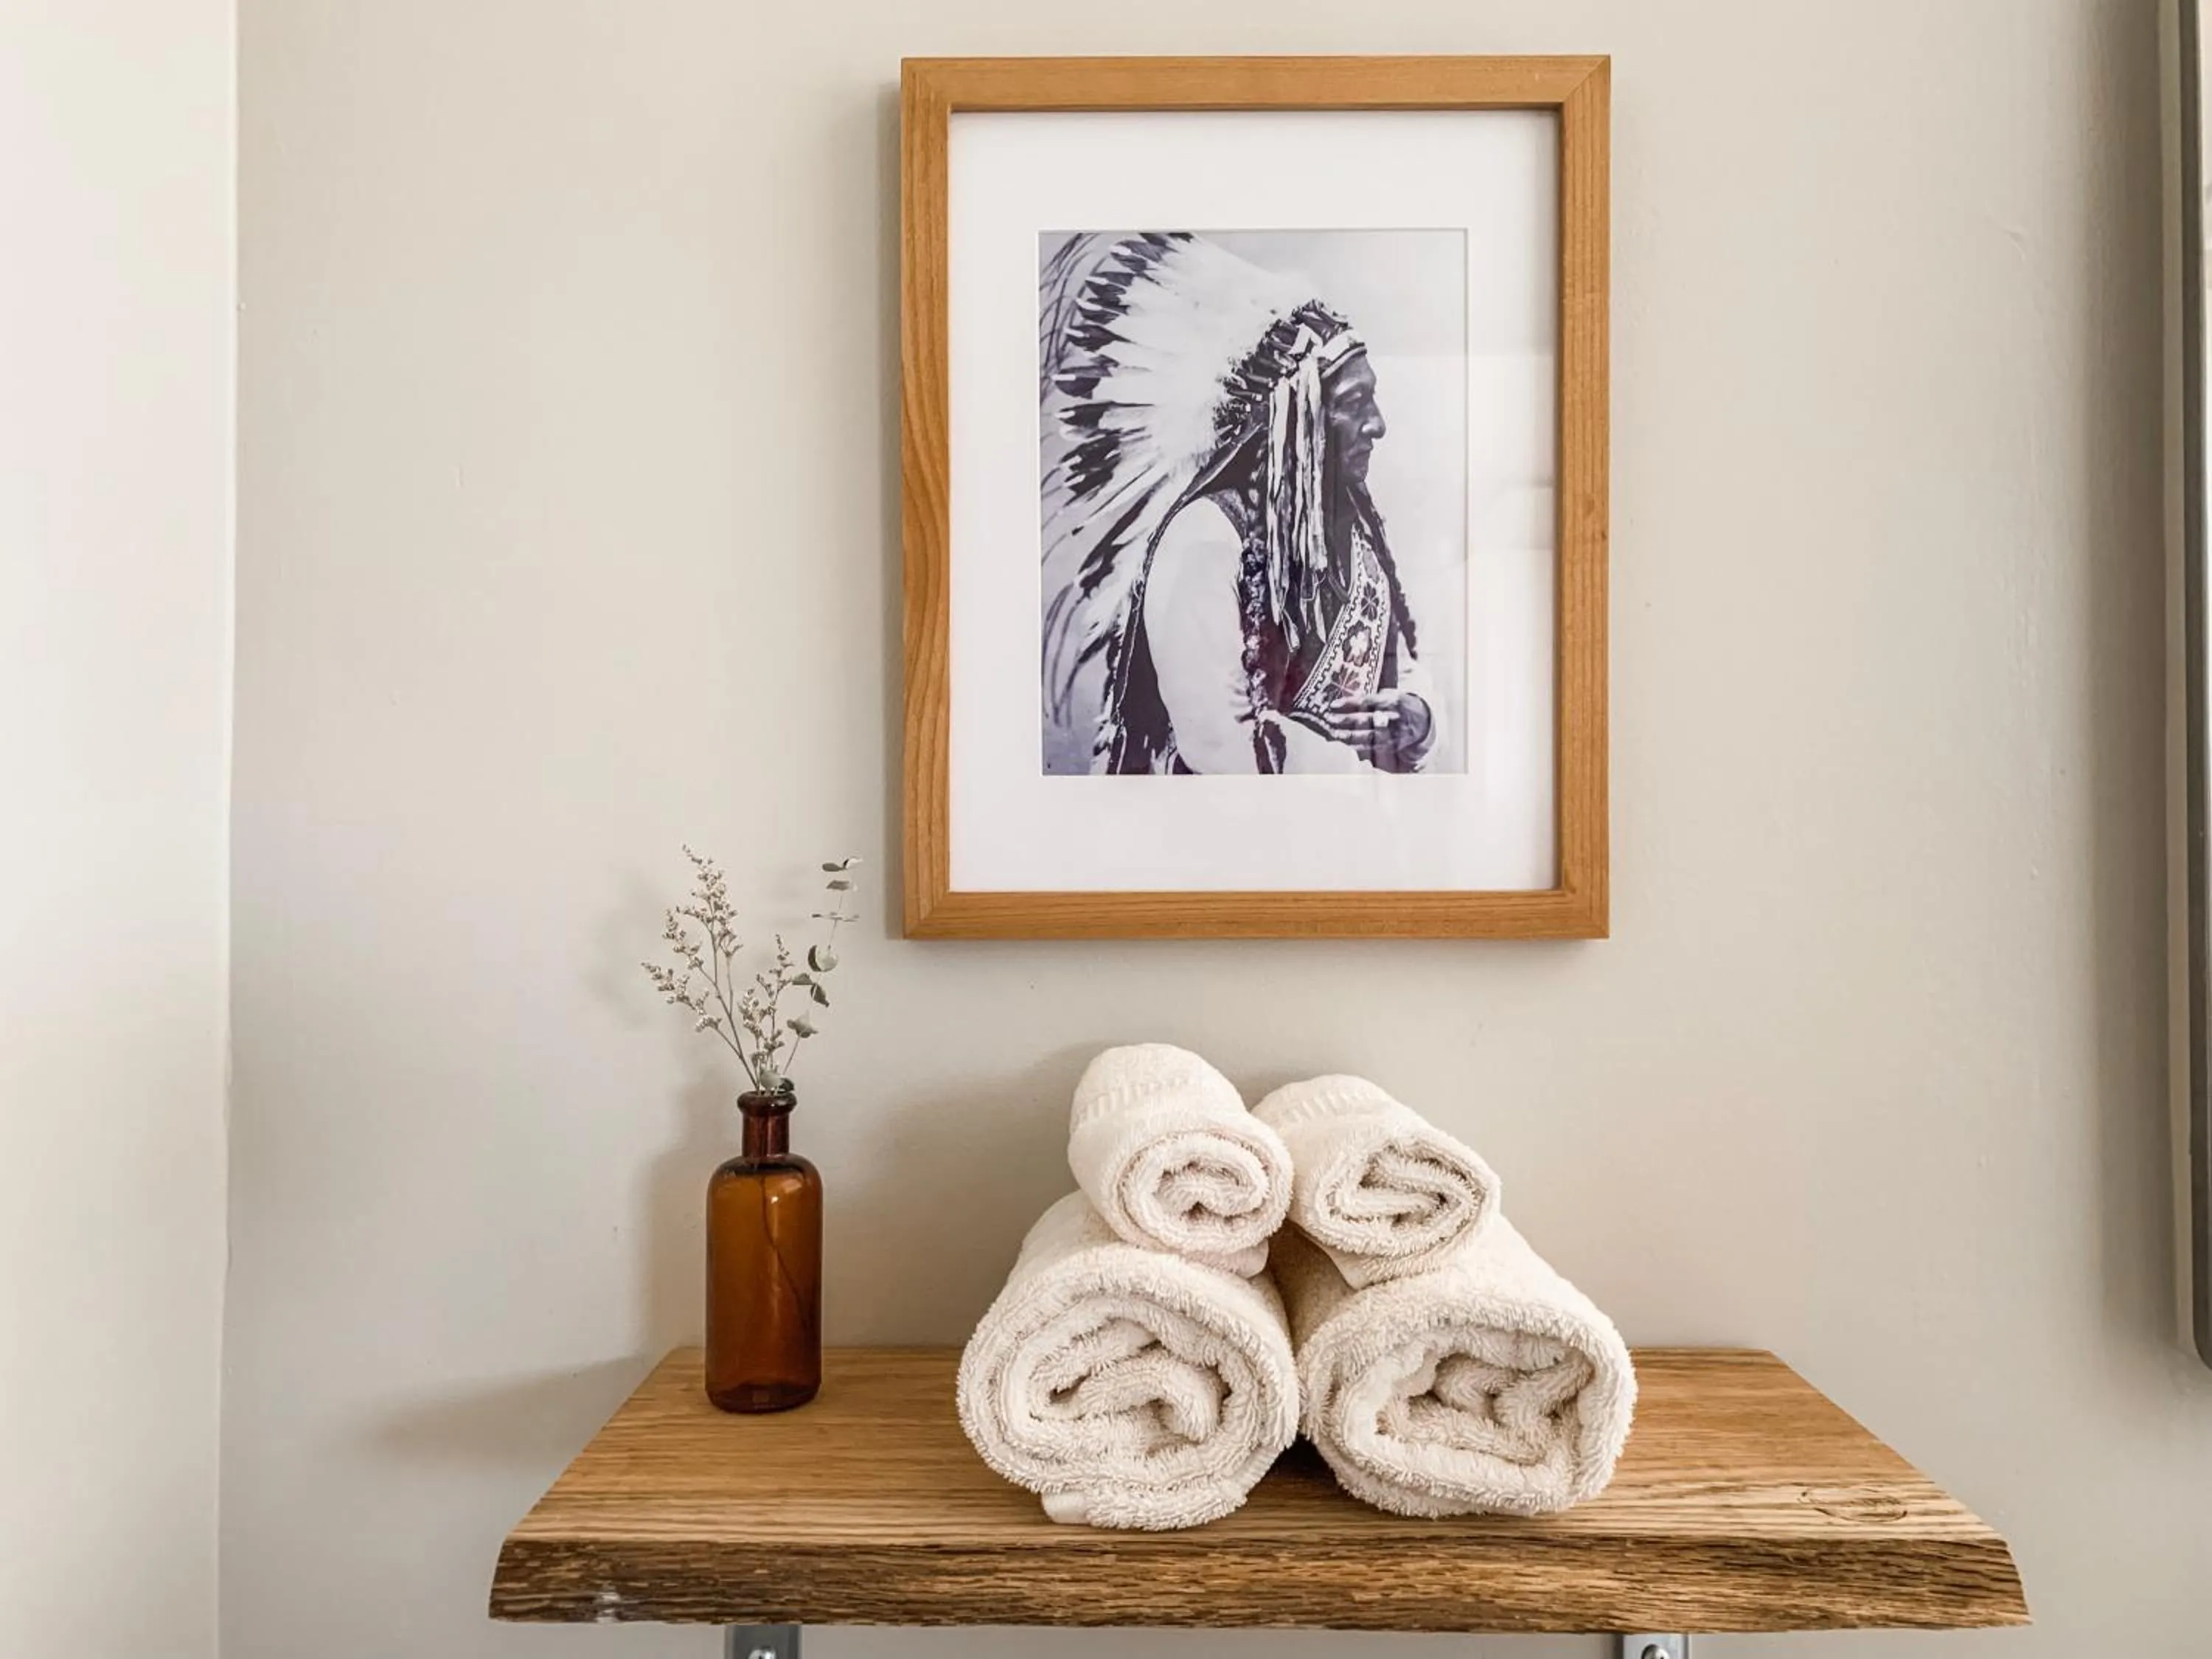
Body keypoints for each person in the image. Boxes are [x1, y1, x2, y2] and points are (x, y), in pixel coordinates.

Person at [1040, 233, 1439, 776]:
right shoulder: (1202, 542)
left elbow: (1402, 662)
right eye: (1353, 404)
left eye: (1372, 399)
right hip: (1232, 842)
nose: (1378, 424)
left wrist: (1417, 718)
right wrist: (1355, 776)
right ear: (1294, 423)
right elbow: (1219, 747)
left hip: (1353, 834)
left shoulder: (1352, 536)